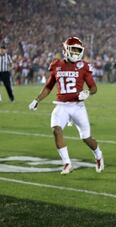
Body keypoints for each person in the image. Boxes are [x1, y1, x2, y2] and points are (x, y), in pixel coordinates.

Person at [28, 37, 104, 175]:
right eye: (73, 49)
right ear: (65, 50)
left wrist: (87, 93)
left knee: (86, 138)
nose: (75, 52)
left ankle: (98, 155)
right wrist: (37, 99)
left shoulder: (84, 66)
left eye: (78, 50)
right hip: (61, 106)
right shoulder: (56, 65)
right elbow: (49, 86)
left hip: (77, 106)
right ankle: (67, 163)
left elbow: (94, 87)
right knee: (56, 129)